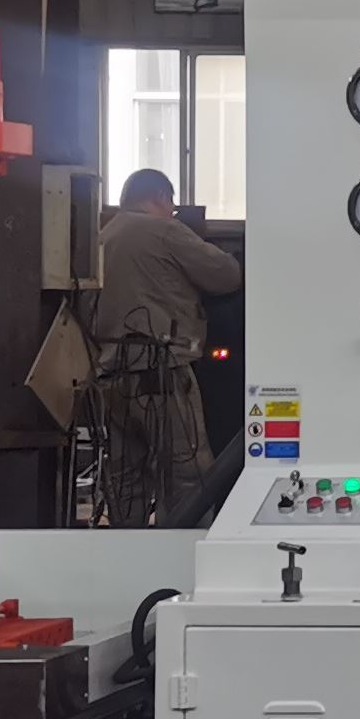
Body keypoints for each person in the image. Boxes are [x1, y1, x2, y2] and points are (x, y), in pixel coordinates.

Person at [87, 170, 240, 522]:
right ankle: (185, 550)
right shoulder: (165, 230)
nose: (172, 211)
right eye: (170, 204)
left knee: (126, 482)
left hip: (110, 377)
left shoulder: (103, 236)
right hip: (161, 376)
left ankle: (129, 549)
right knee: (188, 477)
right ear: (159, 196)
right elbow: (226, 275)